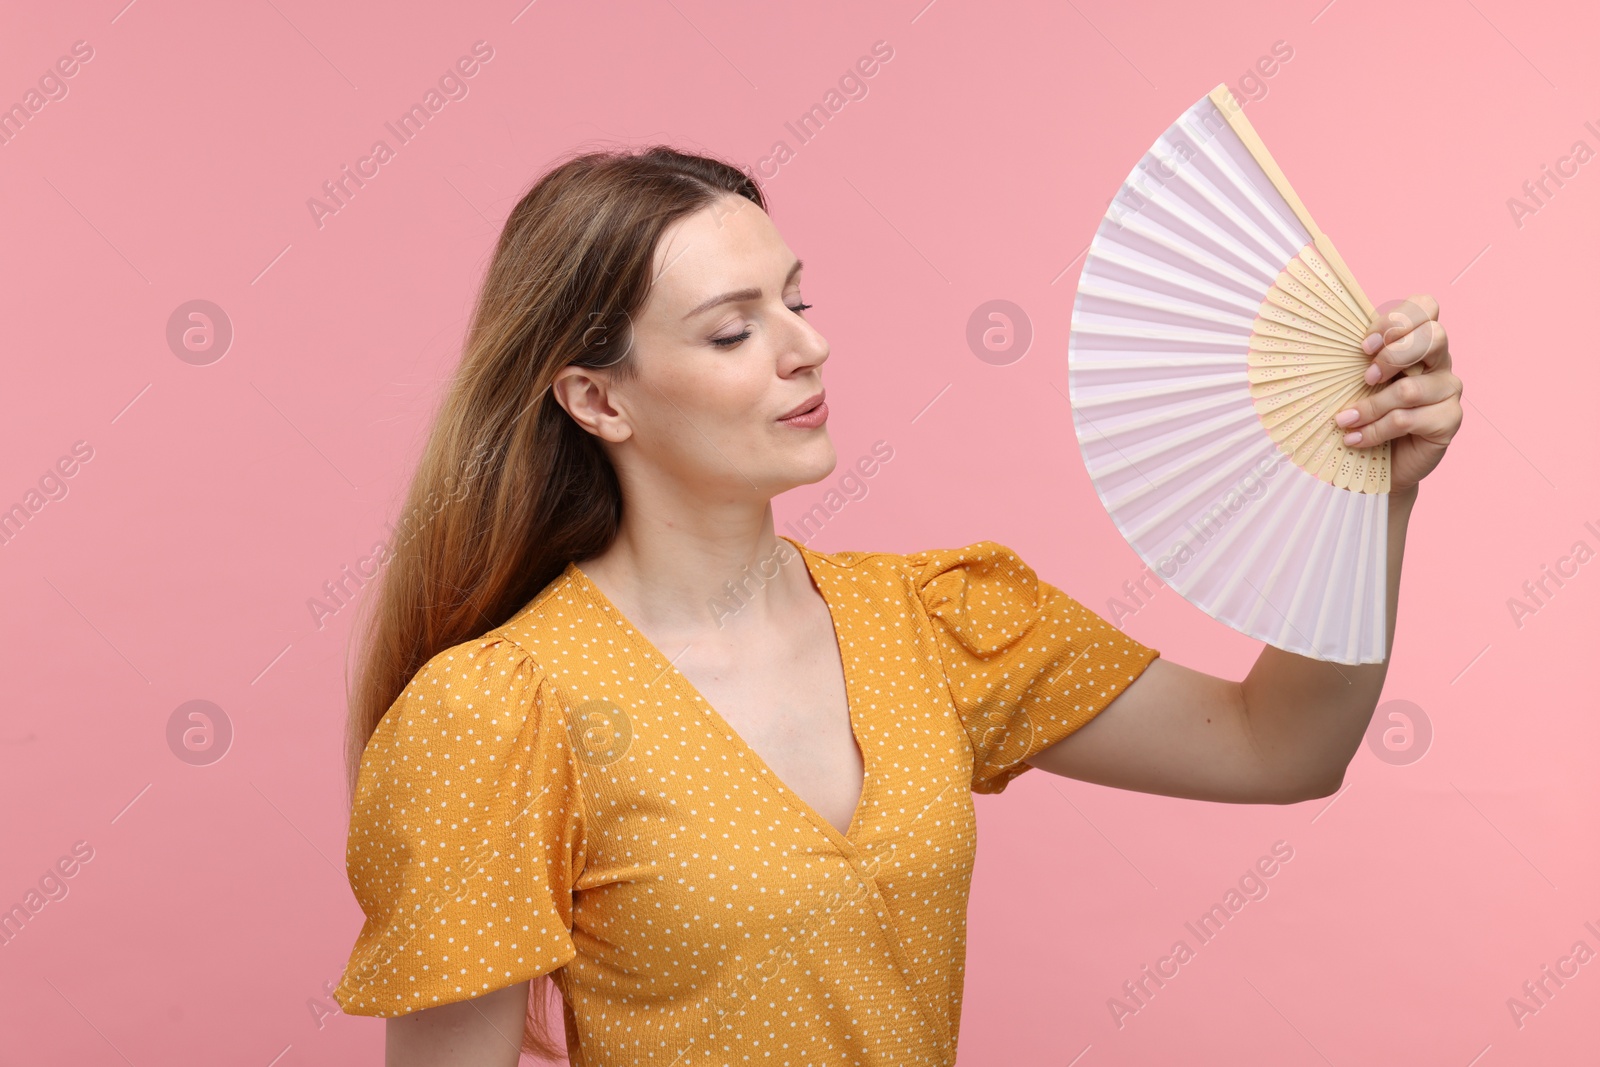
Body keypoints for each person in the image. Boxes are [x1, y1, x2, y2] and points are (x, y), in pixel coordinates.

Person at [330, 146, 1461, 1066]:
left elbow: (1281, 745)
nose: (805, 345)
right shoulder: (497, 712)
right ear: (596, 397)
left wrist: (1372, 492)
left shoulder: (931, 618)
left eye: (796, 298)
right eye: (733, 329)